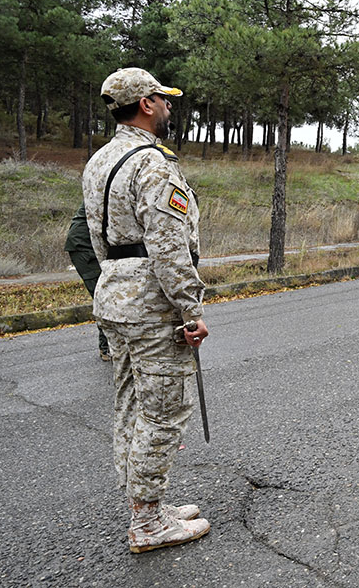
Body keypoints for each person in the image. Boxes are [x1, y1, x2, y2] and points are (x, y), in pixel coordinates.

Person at [82, 67, 210, 553]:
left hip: (115, 292)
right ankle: (149, 522)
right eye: (164, 98)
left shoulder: (100, 160)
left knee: (131, 403)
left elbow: (97, 238)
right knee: (163, 411)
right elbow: (168, 246)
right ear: (146, 105)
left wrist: (117, 280)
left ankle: (147, 503)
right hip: (152, 302)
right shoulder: (153, 163)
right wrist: (190, 307)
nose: (170, 105)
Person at [64, 202, 110, 361]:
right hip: (84, 247)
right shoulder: (106, 186)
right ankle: (107, 348)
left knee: (107, 294)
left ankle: (109, 345)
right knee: (104, 295)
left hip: (94, 244)